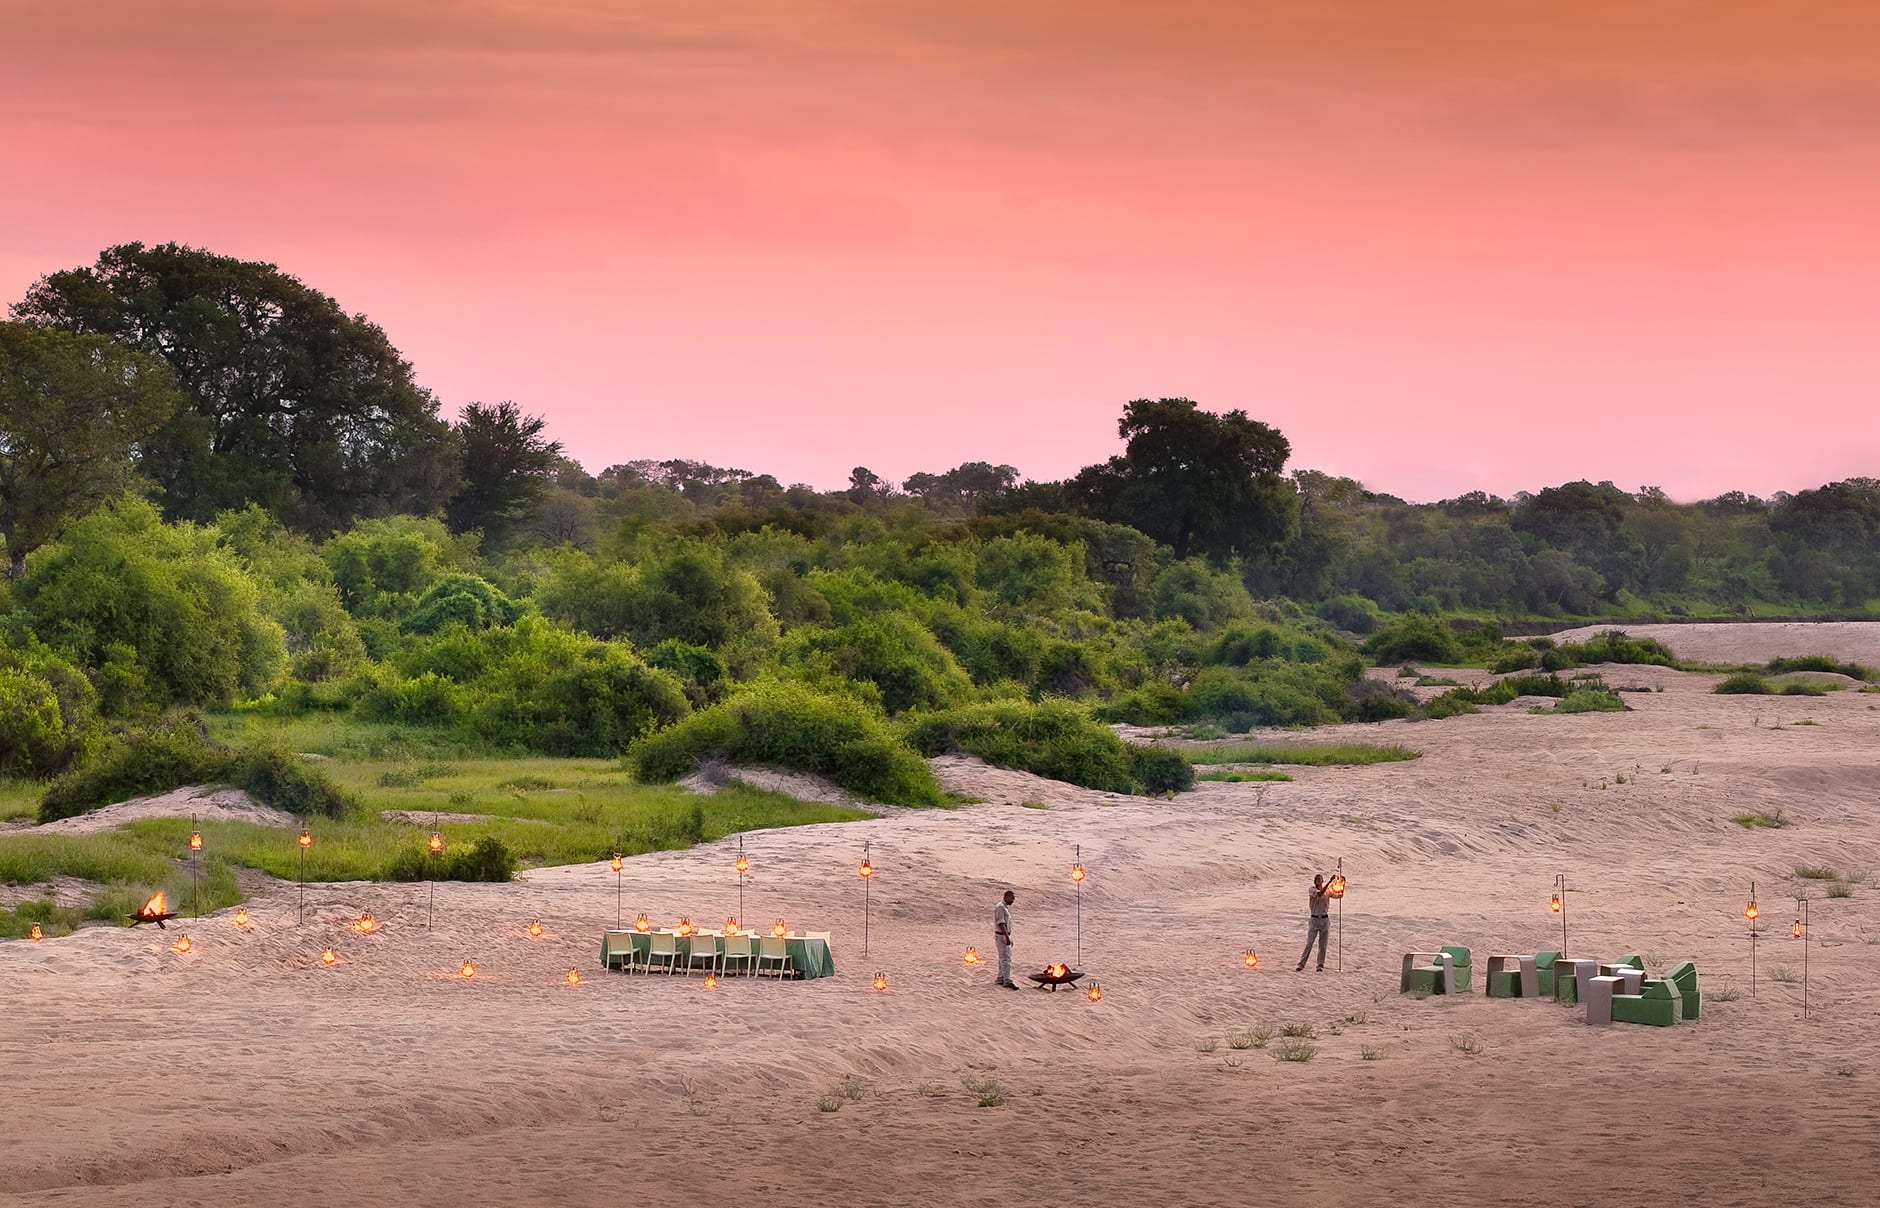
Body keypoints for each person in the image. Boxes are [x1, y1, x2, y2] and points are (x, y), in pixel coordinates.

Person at [1295, 873, 1332, 972]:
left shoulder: (1327, 890)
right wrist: (1330, 882)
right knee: (1309, 943)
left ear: (1322, 881)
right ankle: (1301, 964)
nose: (1317, 881)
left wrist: (1343, 884)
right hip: (1314, 920)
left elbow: (1339, 895)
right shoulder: (1312, 890)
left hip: (1324, 920)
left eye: (1319, 879)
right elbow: (1319, 894)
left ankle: (1320, 965)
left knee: (1323, 945)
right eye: (1316, 879)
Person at [993, 889, 1017, 989]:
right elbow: (1001, 923)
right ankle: (1007, 980)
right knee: (1006, 959)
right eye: (1011, 898)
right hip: (1002, 935)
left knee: (1002, 958)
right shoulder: (1000, 907)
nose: (1012, 900)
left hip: (1004, 935)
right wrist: (1007, 937)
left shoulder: (1004, 908)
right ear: (1006, 897)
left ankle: (1001, 977)